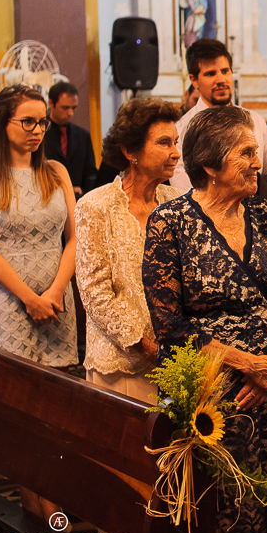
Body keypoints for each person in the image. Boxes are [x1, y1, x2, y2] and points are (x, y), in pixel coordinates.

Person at [143, 106, 267, 533]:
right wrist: (249, 365)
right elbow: (170, 327)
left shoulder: (263, 214)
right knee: (220, 522)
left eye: (256, 151)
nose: (258, 162)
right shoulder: (170, 223)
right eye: (246, 153)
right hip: (214, 395)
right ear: (211, 165)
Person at [0, 85, 78, 520]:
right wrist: (30, 298)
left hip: (58, 300)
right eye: (27, 121)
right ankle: (38, 508)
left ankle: (55, 502)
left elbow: (74, 239)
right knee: (24, 410)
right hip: (12, 303)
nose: (37, 130)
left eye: (41, 122)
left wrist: (55, 291)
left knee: (58, 408)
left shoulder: (56, 171)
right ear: (3, 122)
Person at [75, 97, 182, 403]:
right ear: (130, 150)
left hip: (177, 360)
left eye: (175, 142)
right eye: (164, 143)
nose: (175, 153)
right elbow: (94, 292)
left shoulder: (177, 203)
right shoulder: (95, 206)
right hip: (120, 364)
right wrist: (145, 347)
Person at [170, 39, 267, 192]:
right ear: (194, 80)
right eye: (211, 74)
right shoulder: (183, 129)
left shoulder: (255, 120)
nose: (221, 80)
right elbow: (182, 189)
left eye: (225, 71)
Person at [44, 81, 97, 197]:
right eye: (65, 108)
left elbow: (91, 173)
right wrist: (64, 189)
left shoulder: (83, 135)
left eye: (74, 108)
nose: (70, 113)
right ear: (51, 103)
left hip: (80, 200)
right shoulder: (39, 134)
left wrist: (84, 191)